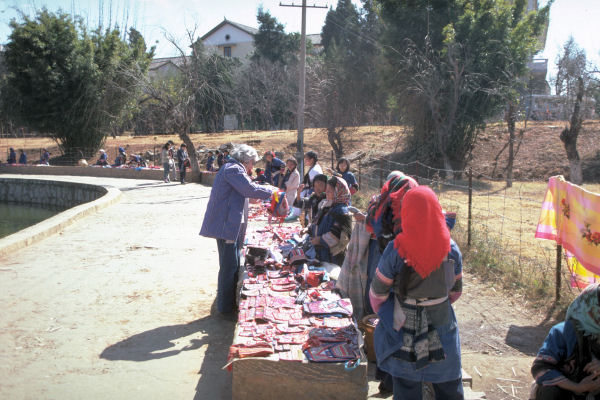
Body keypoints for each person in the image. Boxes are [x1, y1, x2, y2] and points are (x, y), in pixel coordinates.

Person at [369, 186, 464, 400]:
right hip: (441, 324)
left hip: (404, 325)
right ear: (436, 210)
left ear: (407, 212)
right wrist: (436, 301)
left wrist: (388, 314)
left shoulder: (396, 249)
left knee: (406, 384)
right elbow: (455, 292)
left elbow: (377, 294)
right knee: (448, 383)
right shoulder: (451, 249)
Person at [200, 144, 276, 315]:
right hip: (227, 225)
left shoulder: (233, 169)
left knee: (233, 264)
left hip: (231, 225)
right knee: (229, 266)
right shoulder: (233, 169)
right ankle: (225, 308)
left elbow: (243, 193)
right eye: (252, 164)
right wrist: (272, 192)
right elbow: (249, 189)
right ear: (246, 160)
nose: (252, 168)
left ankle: (228, 304)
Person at [531, 283, 600, 400]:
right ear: (591, 306)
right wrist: (578, 387)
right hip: (566, 391)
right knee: (550, 391)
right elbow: (540, 368)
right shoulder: (563, 332)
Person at [310, 176, 352, 266]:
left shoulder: (341, 210)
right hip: (323, 253)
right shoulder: (329, 205)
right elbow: (318, 221)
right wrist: (310, 230)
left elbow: (339, 235)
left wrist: (320, 240)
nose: (326, 193)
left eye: (329, 191)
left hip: (332, 257)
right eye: (326, 190)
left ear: (338, 191)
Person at [287, 150, 323, 221]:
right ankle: (296, 214)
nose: (305, 161)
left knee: (302, 199)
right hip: (310, 188)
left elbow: (313, 183)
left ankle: (296, 215)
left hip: (313, 190)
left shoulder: (314, 170)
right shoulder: (314, 167)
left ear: (312, 160)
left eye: (306, 159)